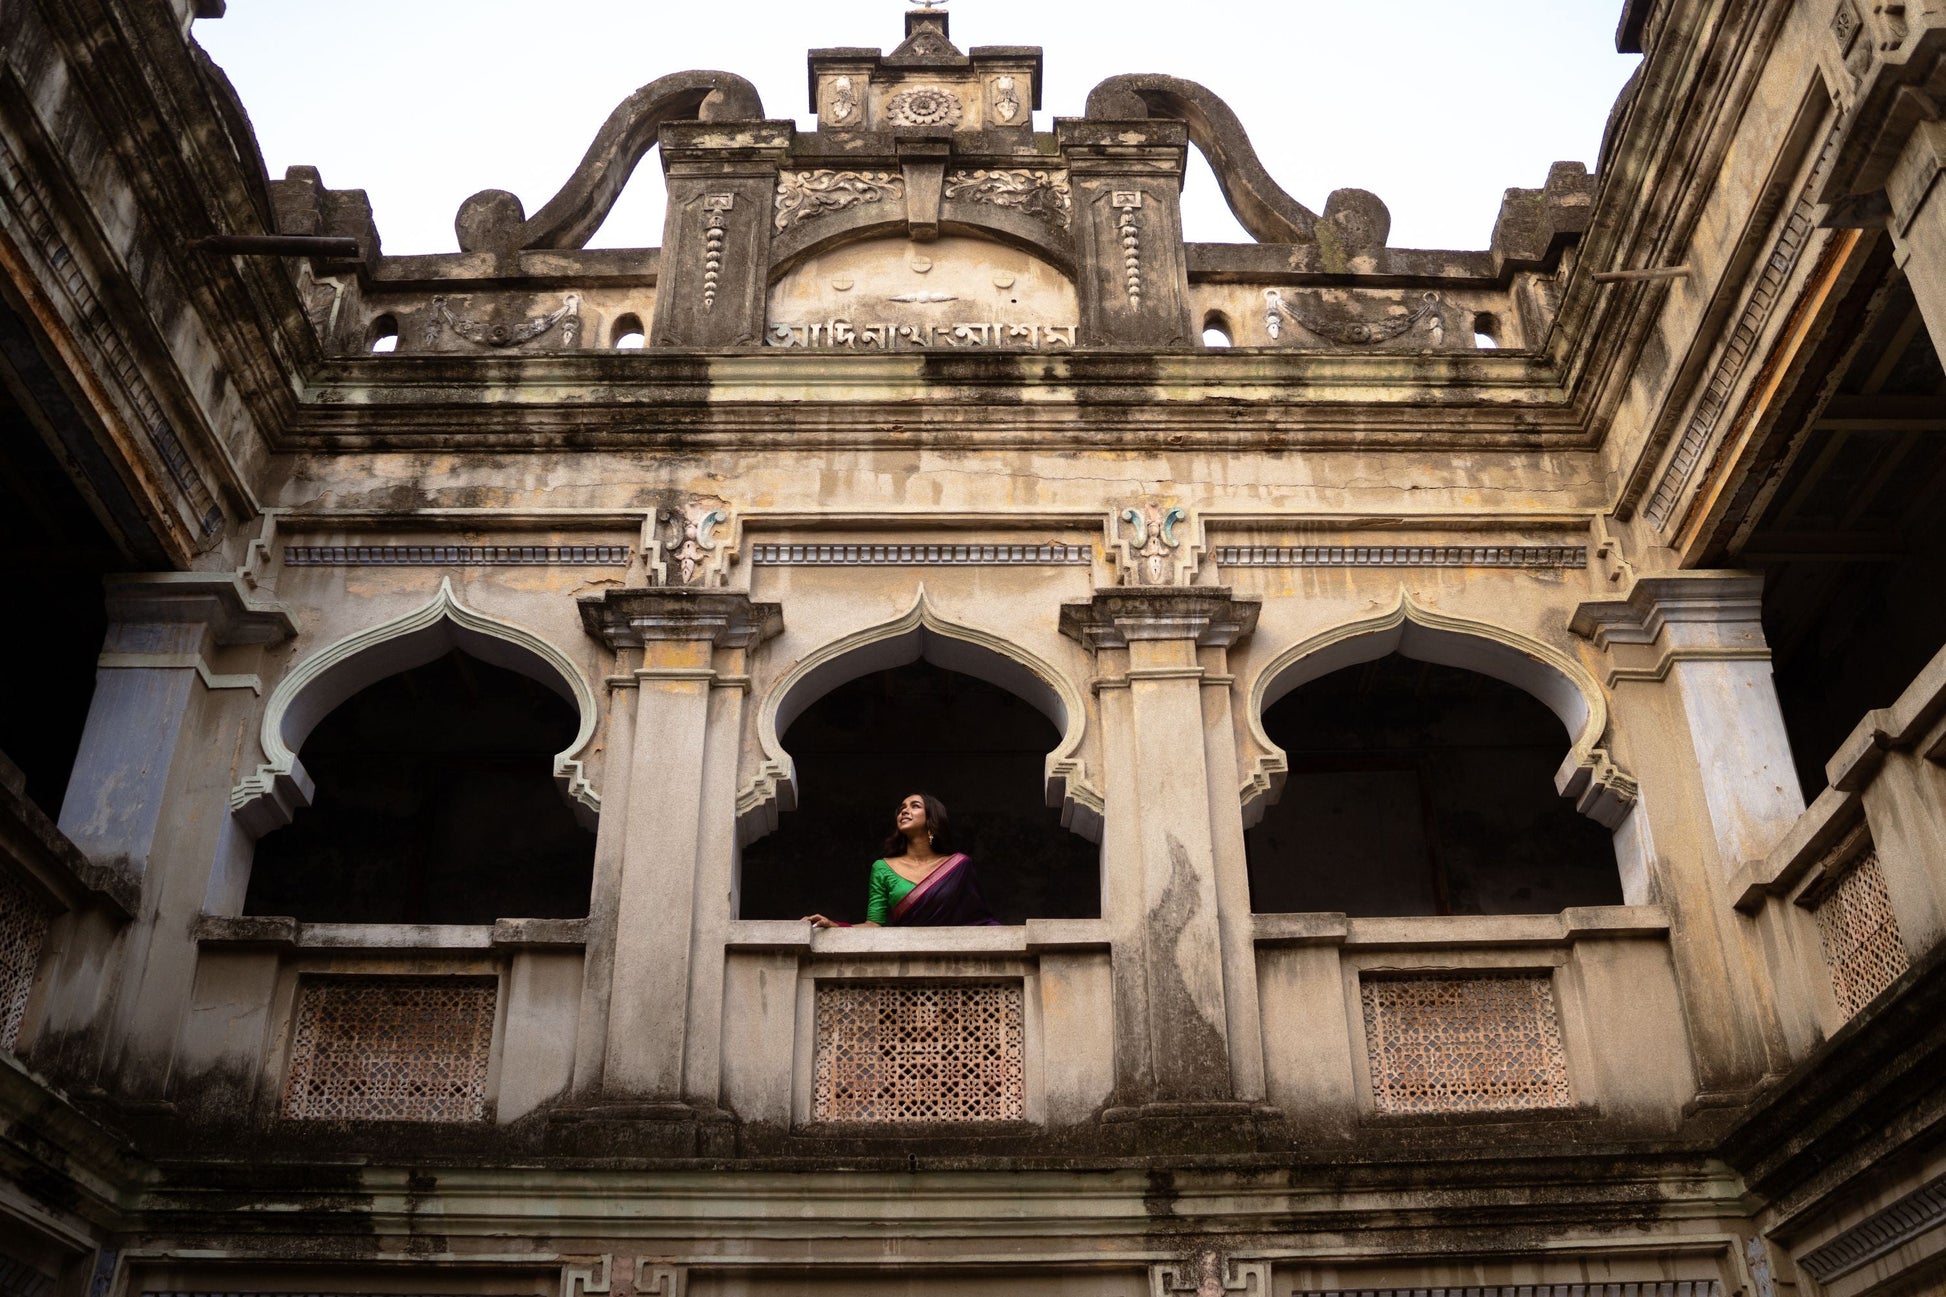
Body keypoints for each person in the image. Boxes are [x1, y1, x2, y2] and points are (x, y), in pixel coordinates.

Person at [803, 792, 996, 927]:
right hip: (904, 959)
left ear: (931, 818)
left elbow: (977, 921)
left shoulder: (958, 866)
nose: (904, 811)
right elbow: (874, 925)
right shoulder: (883, 867)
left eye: (915, 806)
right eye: (902, 808)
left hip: (949, 960)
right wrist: (835, 925)